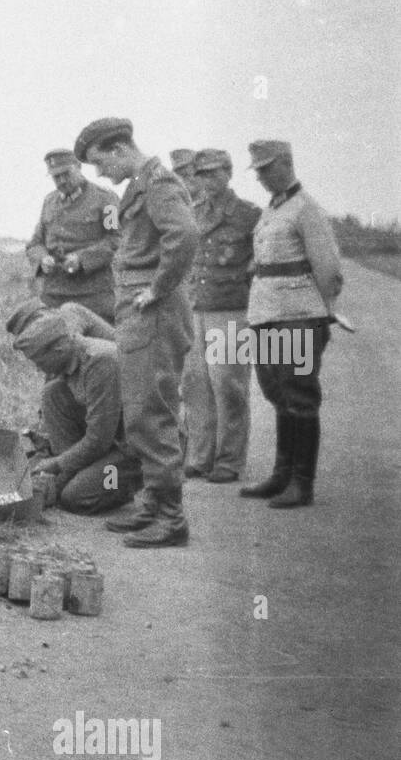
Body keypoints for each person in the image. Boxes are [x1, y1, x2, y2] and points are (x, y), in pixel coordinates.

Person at [73, 116, 199, 547]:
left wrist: (157, 289)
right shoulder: (139, 186)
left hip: (154, 314)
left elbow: (183, 237)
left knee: (153, 411)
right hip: (139, 313)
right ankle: (151, 503)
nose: (99, 173)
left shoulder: (159, 183)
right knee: (140, 410)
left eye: (98, 163)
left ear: (118, 149)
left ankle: (171, 516)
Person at [239, 141, 343, 508]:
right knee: (277, 392)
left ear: (286, 163)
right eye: (258, 171)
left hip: (298, 317)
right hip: (266, 313)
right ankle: (281, 475)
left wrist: (322, 310)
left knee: (299, 395)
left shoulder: (306, 209)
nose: (262, 177)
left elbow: (328, 270)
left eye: (267, 168)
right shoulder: (272, 209)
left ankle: (302, 483)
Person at [181, 148, 261, 482]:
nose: (208, 180)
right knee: (195, 384)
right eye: (201, 174)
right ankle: (200, 457)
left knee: (229, 386)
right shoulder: (194, 211)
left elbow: (260, 263)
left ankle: (229, 461)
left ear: (229, 173)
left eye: (214, 173)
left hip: (231, 310)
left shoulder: (248, 215)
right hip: (196, 309)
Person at [11, 311, 141, 514]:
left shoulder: (100, 363)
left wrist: (55, 464)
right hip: (112, 441)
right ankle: (77, 474)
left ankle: (123, 487)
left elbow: (99, 440)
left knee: (76, 497)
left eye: (39, 362)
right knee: (53, 393)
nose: (38, 369)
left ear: (59, 349)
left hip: (135, 450)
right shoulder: (70, 360)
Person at [24, 148, 120, 323]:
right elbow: (35, 243)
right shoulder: (49, 202)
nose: (61, 181)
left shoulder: (107, 199)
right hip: (54, 296)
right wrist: (43, 259)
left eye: (65, 174)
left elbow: (115, 239)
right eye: (55, 177)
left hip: (93, 298)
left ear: (78, 167)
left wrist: (81, 259)